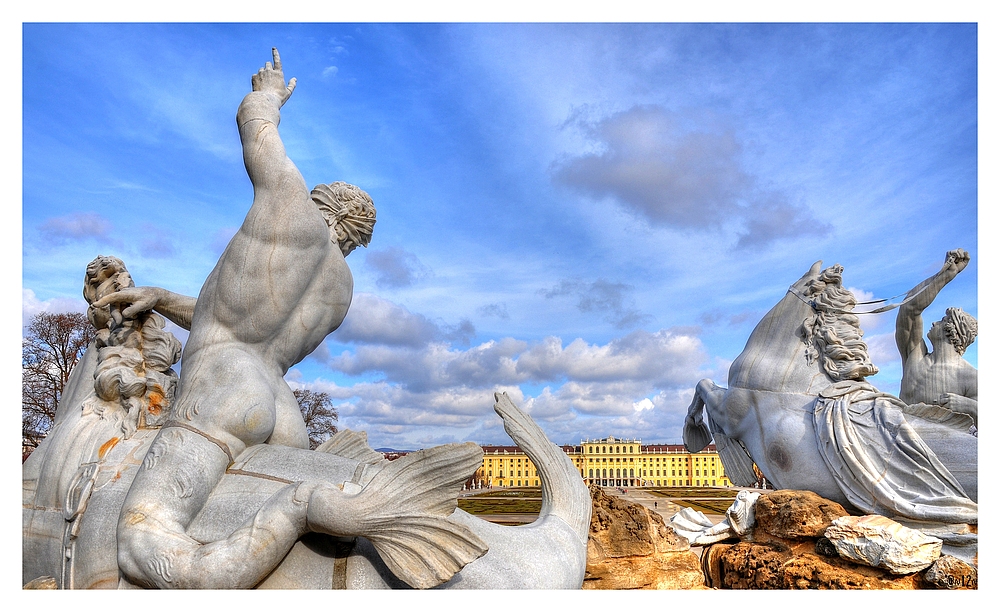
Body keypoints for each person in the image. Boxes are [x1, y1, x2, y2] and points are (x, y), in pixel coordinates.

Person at [102, 49, 484, 589]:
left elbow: (254, 128)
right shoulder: (341, 290)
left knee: (144, 540)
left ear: (319, 201)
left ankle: (304, 506)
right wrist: (163, 297)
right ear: (356, 236)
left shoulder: (287, 204)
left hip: (222, 387)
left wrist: (268, 95)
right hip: (280, 410)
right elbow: (242, 321)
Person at [895, 249, 978, 427]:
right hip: (898, 440)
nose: (934, 323)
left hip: (941, 449)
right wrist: (944, 275)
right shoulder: (915, 354)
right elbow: (908, 309)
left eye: (942, 320)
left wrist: (969, 405)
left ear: (952, 330)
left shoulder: (970, 376)